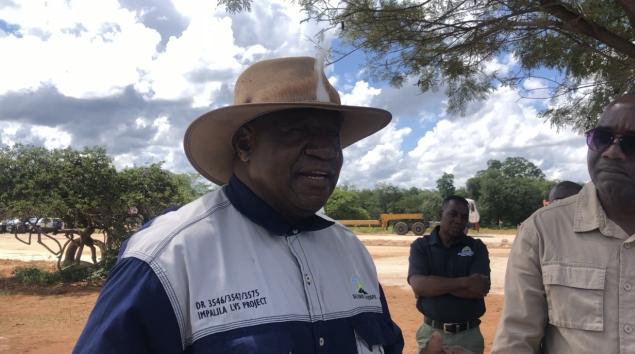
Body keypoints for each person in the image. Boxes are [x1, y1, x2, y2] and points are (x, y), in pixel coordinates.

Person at [73, 56, 404, 354]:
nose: (327, 151)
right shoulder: (167, 258)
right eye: (298, 131)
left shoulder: (350, 251)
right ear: (245, 143)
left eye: (332, 137)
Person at [492, 93, 635, 353]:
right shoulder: (542, 231)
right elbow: (515, 342)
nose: (612, 152)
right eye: (603, 138)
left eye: (634, 143)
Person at [408, 196, 491, 354]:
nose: (459, 220)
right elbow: (419, 286)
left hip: (469, 337)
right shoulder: (421, 246)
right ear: (441, 213)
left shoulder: (477, 247)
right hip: (432, 335)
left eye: (464, 217)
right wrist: (466, 282)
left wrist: (434, 285)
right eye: (453, 214)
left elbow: (479, 289)